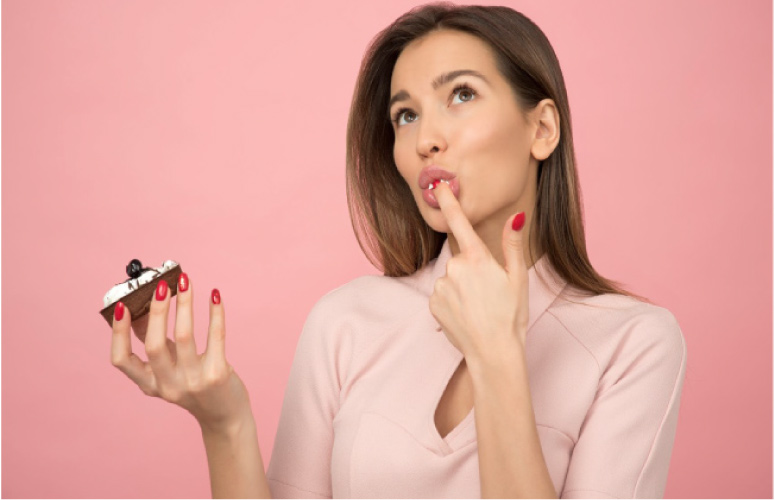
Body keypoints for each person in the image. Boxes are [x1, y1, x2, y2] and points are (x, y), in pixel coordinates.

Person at [110, 3, 688, 498]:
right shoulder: (346, 322)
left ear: (541, 130)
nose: (424, 138)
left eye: (461, 94)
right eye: (404, 115)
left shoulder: (634, 343)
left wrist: (497, 356)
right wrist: (225, 420)